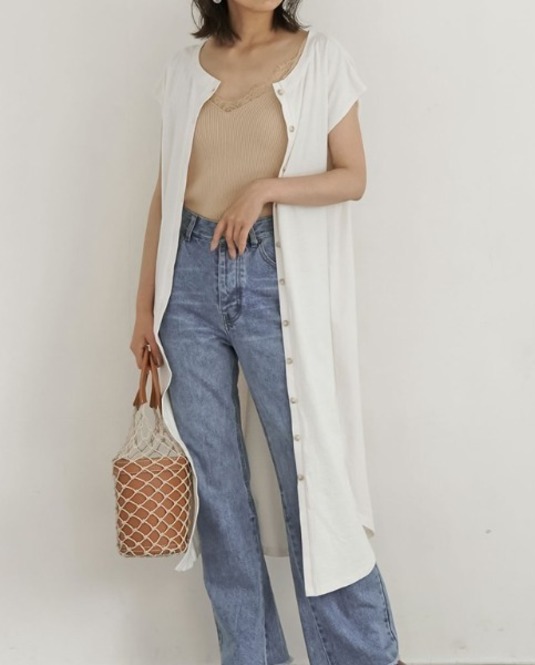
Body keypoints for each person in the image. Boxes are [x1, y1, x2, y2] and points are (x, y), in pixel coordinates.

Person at [130, 1, 406, 664]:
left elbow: (353, 176)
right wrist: (143, 308)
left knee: (313, 480)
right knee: (218, 495)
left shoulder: (322, 58)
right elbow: (167, 192)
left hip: (271, 279)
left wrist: (265, 189)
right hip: (186, 288)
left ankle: (367, 656)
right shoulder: (184, 70)